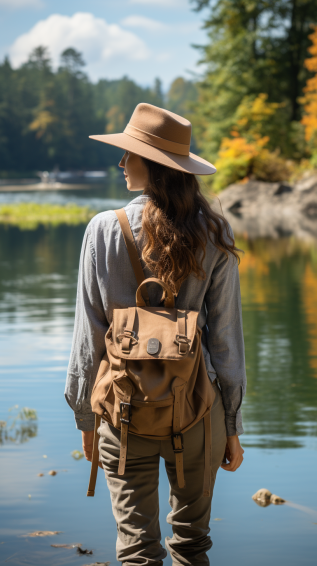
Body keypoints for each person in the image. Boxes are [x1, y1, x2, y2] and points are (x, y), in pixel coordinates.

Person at [65, 103, 246, 566]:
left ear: (155, 165)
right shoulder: (214, 233)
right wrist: (231, 427)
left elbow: (89, 337)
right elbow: (225, 342)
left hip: (122, 415)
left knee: (137, 552)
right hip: (197, 411)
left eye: (129, 154)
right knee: (190, 545)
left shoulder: (102, 230)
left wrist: (86, 417)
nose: (122, 163)